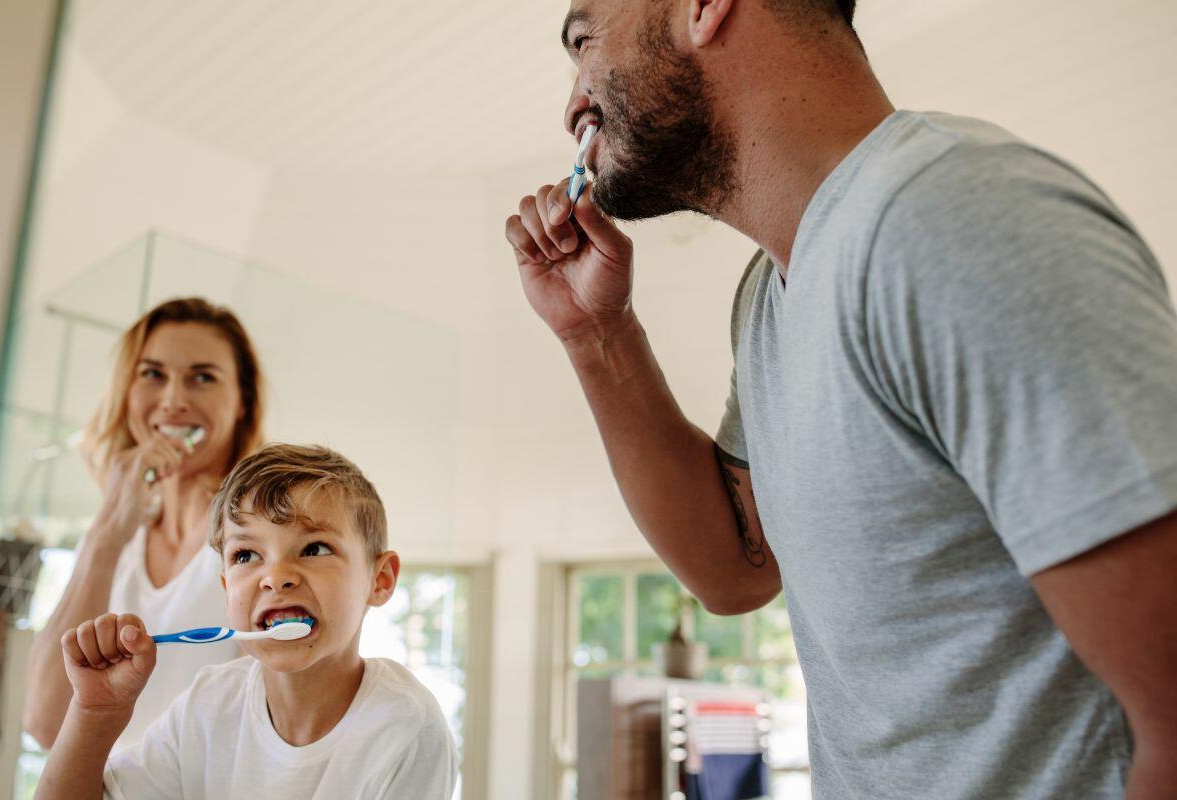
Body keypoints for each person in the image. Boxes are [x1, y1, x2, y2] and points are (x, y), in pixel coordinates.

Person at [504, 1, 1177, 797]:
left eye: (586, 41)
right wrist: (596, 336)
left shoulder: (952, 219)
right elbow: (737, 568)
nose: (573, 100)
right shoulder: (771, 294)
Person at [33, 443, 458, 800]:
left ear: (379, 580)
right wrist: (96, 713)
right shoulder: (208, 705)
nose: (275, 576)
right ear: (226, 588)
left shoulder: (404, 726)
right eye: (246, 555)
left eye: (314, 548)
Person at [23, 298, 266, 751]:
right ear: (127, 393)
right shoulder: (112, 542)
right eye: (153, 374)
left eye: (202, 377)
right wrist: (107, 534)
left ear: (241, 403)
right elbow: (44, 723)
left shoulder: (258, 540)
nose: (173, 401)